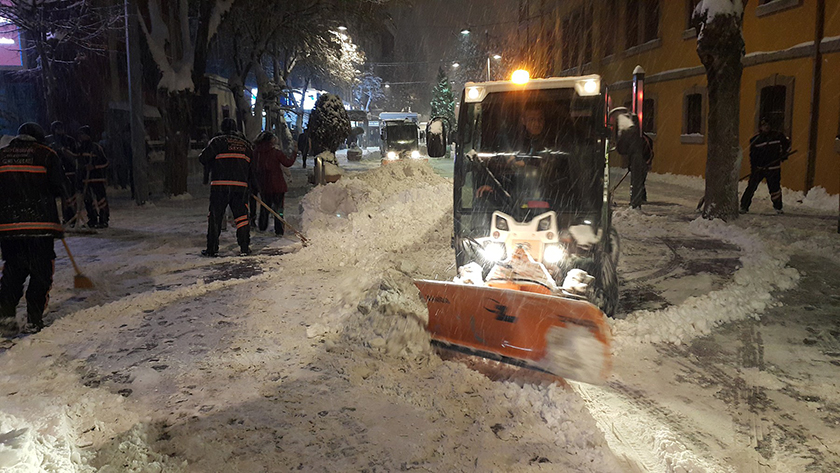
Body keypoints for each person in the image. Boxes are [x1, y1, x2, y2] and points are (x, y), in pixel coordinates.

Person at [0, 123, 66, 336]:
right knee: (41, 272)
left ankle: (5, 317)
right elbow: (60, 187)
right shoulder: (46, 155)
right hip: (40, 225)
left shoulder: (2, 155)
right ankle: (34, 319)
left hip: (9, 226)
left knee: (13, 271)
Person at [199, 117, 255, 256]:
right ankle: (244, 247)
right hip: (240, 187)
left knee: (215, 217)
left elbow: (203, 158)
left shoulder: (217, 142)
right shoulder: (246, 145)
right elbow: (252, 167)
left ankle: (212, 249)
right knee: (242, 218)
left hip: (220, 186)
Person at [740, 117, 791, 214]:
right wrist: (755, 168)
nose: (766, 127)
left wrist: (783, 155)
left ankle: (778, 207)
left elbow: (787, 146)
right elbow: (753, 157)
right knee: (751, 187)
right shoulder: (756, 140)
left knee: (775, 189)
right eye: (764, 125)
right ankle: (744, 206)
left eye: (768, 125)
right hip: (759, 169)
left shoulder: (778, 137)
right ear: (760, 127)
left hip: (773, 168)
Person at [253, 131, 297, 235]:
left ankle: (262, 227)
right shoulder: (276, 152)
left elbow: (253, 167)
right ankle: (279, 229)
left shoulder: (255, 153)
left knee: (265, 207)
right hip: (278, 186)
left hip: (264, 186)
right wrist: (294, 153)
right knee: (279, 210)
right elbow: (287, 162)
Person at [46, 121, 79, 224]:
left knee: (69, 196)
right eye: (57, 128)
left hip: (69, 172)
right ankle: (55, 219)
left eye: (60, 128)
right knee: (52, 198)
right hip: (53, 173)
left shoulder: (69, 141)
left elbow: (75, 157)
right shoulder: (48, 140)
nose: (59, 131)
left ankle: (71, 218)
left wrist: (65, 152)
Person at [77, 126, 110, 228]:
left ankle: (103, 219)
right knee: (88, 200)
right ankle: (92, 218)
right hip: (85, 179)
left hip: (97, 178)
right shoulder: (80, 148)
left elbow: (105, 162)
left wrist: (94, 167)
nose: (81, 137)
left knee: (101, 199)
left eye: (83, 134)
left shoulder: (96, 147)